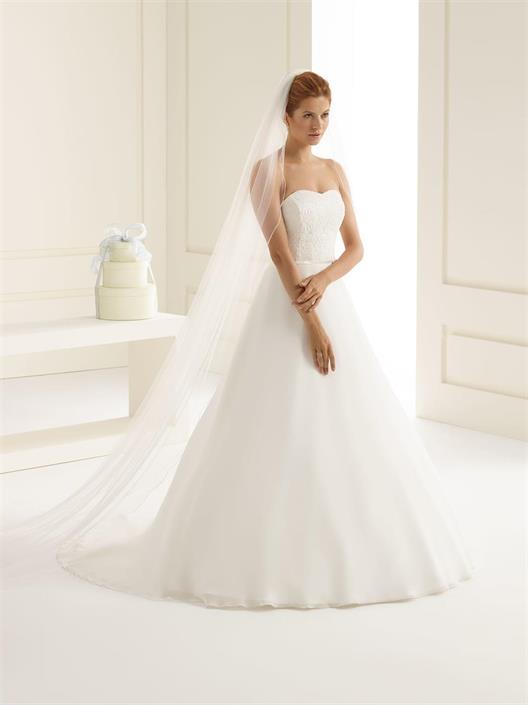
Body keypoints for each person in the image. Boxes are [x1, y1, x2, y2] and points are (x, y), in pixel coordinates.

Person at [2, 70, 477, 609]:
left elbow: (356, 247)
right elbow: (279, 253)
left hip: (328, 297)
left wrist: (325, 281)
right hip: (289, 306)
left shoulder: (335, 170)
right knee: (272, 417)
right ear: (286, 117)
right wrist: (313, 323)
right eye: (308, 115)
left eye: (325, 115)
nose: (318, 125)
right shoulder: (267, 171)